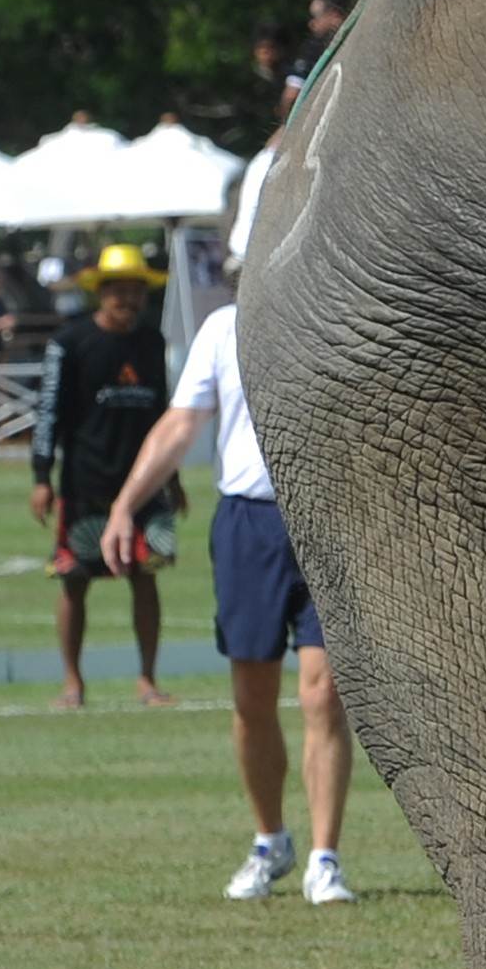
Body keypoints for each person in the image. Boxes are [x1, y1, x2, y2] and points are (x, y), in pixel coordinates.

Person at [100, 302, 358, 902]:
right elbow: (182, 422)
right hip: (248, 523)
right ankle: (271, 840)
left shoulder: (335, 304)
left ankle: (326, 856)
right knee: (252, 696)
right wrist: (124, 505)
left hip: (327, 518)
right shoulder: (224, 326)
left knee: (323, 694)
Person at [27, 244, 176, 709]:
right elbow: (48, 412)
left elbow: (165, 413)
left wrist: (172, 476)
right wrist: (41, 476)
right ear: (101, 293)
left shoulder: (152, 342)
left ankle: (147, 680)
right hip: (84, 481)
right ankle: (73, 683)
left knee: (146, 578)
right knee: (74, 580)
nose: (129, 301)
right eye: (120, 292)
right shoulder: (70, 343)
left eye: (137, 292)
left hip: (144, 483)